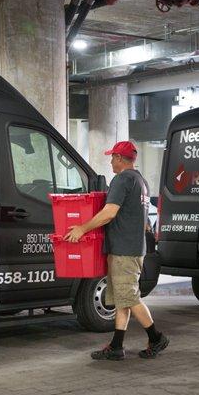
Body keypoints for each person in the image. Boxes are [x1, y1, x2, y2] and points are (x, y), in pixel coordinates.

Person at [64, 141, 169, 361]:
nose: (111, 160)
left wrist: (82, 228)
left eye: (113, 157)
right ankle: (117, 346)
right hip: (132, 248)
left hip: (124, 251)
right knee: (123, 299)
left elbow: (109, 212)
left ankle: (156, 337)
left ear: (121, 159)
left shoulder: (122, 180)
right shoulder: (141, 181)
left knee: (130, 298)